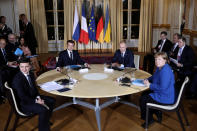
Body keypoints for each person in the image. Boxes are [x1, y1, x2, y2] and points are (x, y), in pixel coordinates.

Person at [12, 57, 55, 131]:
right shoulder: (17, 79)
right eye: (22, 67)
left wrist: (38, 97)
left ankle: (45, 120)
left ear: (30, 66)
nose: (24, 69)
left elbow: (35, 89)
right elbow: (22, 97)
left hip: (33, 97)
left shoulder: (31, 74)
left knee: (52, 100)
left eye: (26, 66)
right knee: (43, 109)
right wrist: (36, 101)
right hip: (24, 103)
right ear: (19, 66)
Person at [140, 52, 175, 128]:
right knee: (144, 94)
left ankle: (149, 119)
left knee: (144, 99)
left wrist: (150, 85)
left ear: (165, 60)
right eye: (156, 59)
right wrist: (147, 79)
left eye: (159, 59)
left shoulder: (165, 71)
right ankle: (157, 111)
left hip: (165, 96)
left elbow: (163, 88)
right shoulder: (160, 68)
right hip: (162, 92)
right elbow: (153, 77)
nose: (157, 61)